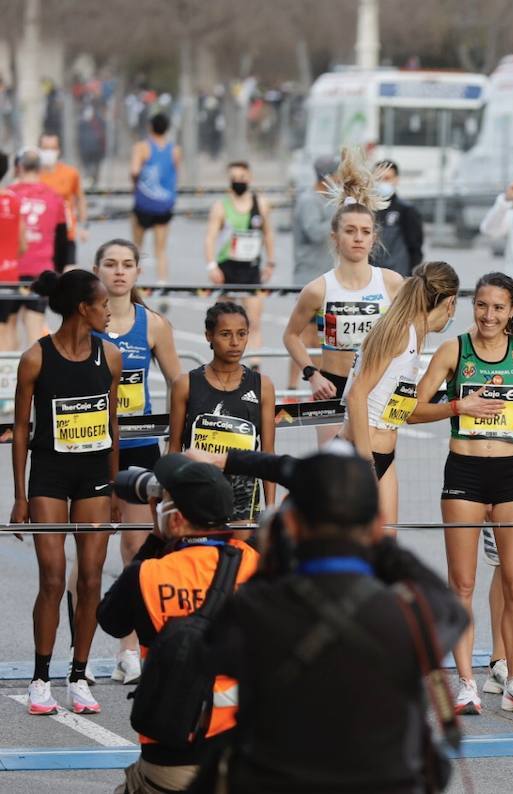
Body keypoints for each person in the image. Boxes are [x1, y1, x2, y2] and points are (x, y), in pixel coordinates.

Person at [199, 448, 468, 793]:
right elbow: (452, 611)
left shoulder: (257, 608)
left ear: (291, 524)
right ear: (374, 525)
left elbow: (211, 650)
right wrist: (385, 548)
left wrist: (268, 566)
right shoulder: (409, 614)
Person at [409, 272, 513, 715]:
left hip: (509, 471)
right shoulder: (454, 351)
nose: (488, 315)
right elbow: (409, 409)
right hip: (464, 470)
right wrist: (456, 406)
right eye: (482, 305)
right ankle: (465, 683)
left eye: (498, 307)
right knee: (462, 583)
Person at [97, 454, 259, 793]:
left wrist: (155, 541)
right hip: (245, 751)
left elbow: (110, 621)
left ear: (177, 520)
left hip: (172, 754)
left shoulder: (148, 575)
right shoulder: (258, 566)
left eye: (164, 501)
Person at [9, 268, 120, 716]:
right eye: (104, 304)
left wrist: (114, 487)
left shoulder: (109, 357)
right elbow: (20, 429)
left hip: (94, 474)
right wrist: (20, 495)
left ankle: (78, 675)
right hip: (50, 476)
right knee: (53, 578)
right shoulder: (35, 358)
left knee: (91, 578)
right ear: (83, 309)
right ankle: (40, 678)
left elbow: (113, 425)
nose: (110, 311)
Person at [93, 238, 181, 686]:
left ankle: (129, 649)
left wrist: (176, 448)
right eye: (110, 264)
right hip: (90, 450)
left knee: (135, 548)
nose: (119, 272)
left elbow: (179, 385)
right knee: (88, 554)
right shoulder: (85, 323)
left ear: (137, 272)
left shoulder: (153, 325)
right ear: (97, 271)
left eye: (127, 264)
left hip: (139, 448)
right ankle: (80, 651)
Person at [340, 261, 458, 525]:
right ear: (450, 303)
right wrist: (366, 462)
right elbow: (357, 395)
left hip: (385, 452)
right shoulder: (400, 332)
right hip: (362, 452)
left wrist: (457, 406)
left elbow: (405, 409)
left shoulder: (414, 335)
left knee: (384, 547)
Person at [283, 148, 403, 406]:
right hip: (332, 385)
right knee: (331, 449)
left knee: (376, 449)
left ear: (374, 238)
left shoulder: (392, 283)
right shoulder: (318, 288)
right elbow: (290, 335)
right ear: (335, 238)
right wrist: (311, 374)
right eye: (350, 231)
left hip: (377, 384)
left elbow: (411, 334)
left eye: (365, 231)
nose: (358, 237)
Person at [168, 303, 276, 522]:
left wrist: (271, 508)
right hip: (198, 489)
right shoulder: (186, 384)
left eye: (242, 334)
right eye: (225, 334)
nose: (235, 343)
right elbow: (174, 448)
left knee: (238, 555)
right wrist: (169, 501)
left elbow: (268, 454)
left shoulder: (263, 386)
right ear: (209, 335)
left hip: (243, 496)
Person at [205, 161, 276, 360]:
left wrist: (270, 262)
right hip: (227, 267)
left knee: (253, 321)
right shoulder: (221, 206)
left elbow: (268, 234)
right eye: (234, 178)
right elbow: (210, 237)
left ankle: (254, 365)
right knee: (221, 321)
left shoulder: (260, 204)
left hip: (251, 267)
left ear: (249, 178)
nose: (238, 181)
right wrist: (211, 266)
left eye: (242, 177)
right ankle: (220, 361)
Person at [10, 149, 68, 346]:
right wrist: (58, 272)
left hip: (10, 270)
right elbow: (62, 239)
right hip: (41, 270)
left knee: (7, 327)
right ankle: (35, 375)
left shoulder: (8, 196)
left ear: (19, 167)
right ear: (41, 169)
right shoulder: (55, 198)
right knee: (35, 326)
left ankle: (6, 375)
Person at [129, 113, 179, 284]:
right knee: (161, 249)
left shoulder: (142, 147)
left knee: (136, 246)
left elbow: (135, 171)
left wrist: (136, 185)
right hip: (164, 204)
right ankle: (162, 283)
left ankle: (131, 283)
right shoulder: (175, 149)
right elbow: (175, 174)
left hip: (144, 203)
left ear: (150, 127)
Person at [38, 132, 86, 266]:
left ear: (58, 150)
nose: (49, 152)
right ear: (39, 150)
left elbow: (80, 198)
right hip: (41, 234)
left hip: (66, 231)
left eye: (53, 148)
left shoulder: (70, 173)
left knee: (68, 274)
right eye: (45, 148)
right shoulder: (34, 175)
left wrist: (84, 225)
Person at [291, 154, 338, 285]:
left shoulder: (331, 200)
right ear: (327, 177)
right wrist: (340, 217)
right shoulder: (309, 201)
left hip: (328, 275)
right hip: (309, 277)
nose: (340, 178)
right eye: (337, 174)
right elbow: (316, 233)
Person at [374, 160, 424, 277]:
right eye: (378, 179)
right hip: (371, 276)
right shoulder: (366, 210)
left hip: (398, 275)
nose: (382, 183)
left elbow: (415, 248)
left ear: (396, 180)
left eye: (387, 178)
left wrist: (410, 277)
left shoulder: (406, 210)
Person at [0, 151, 25, 352]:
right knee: (7, 329)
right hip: (9, 274)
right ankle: (7, 382)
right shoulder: (14, 200)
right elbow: (22, 245)